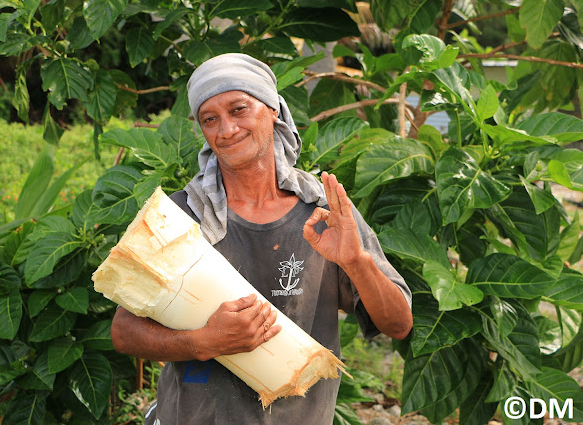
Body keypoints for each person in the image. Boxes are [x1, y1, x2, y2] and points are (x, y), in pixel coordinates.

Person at [110, 53, 413, 424]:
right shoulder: (183, 216)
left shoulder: (323, 214)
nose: (226, 129)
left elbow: (398, 325)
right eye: (210, 119)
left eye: (239, 109)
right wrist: (203, 341)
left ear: (273, 110)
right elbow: (124, 332)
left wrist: (356, 262)